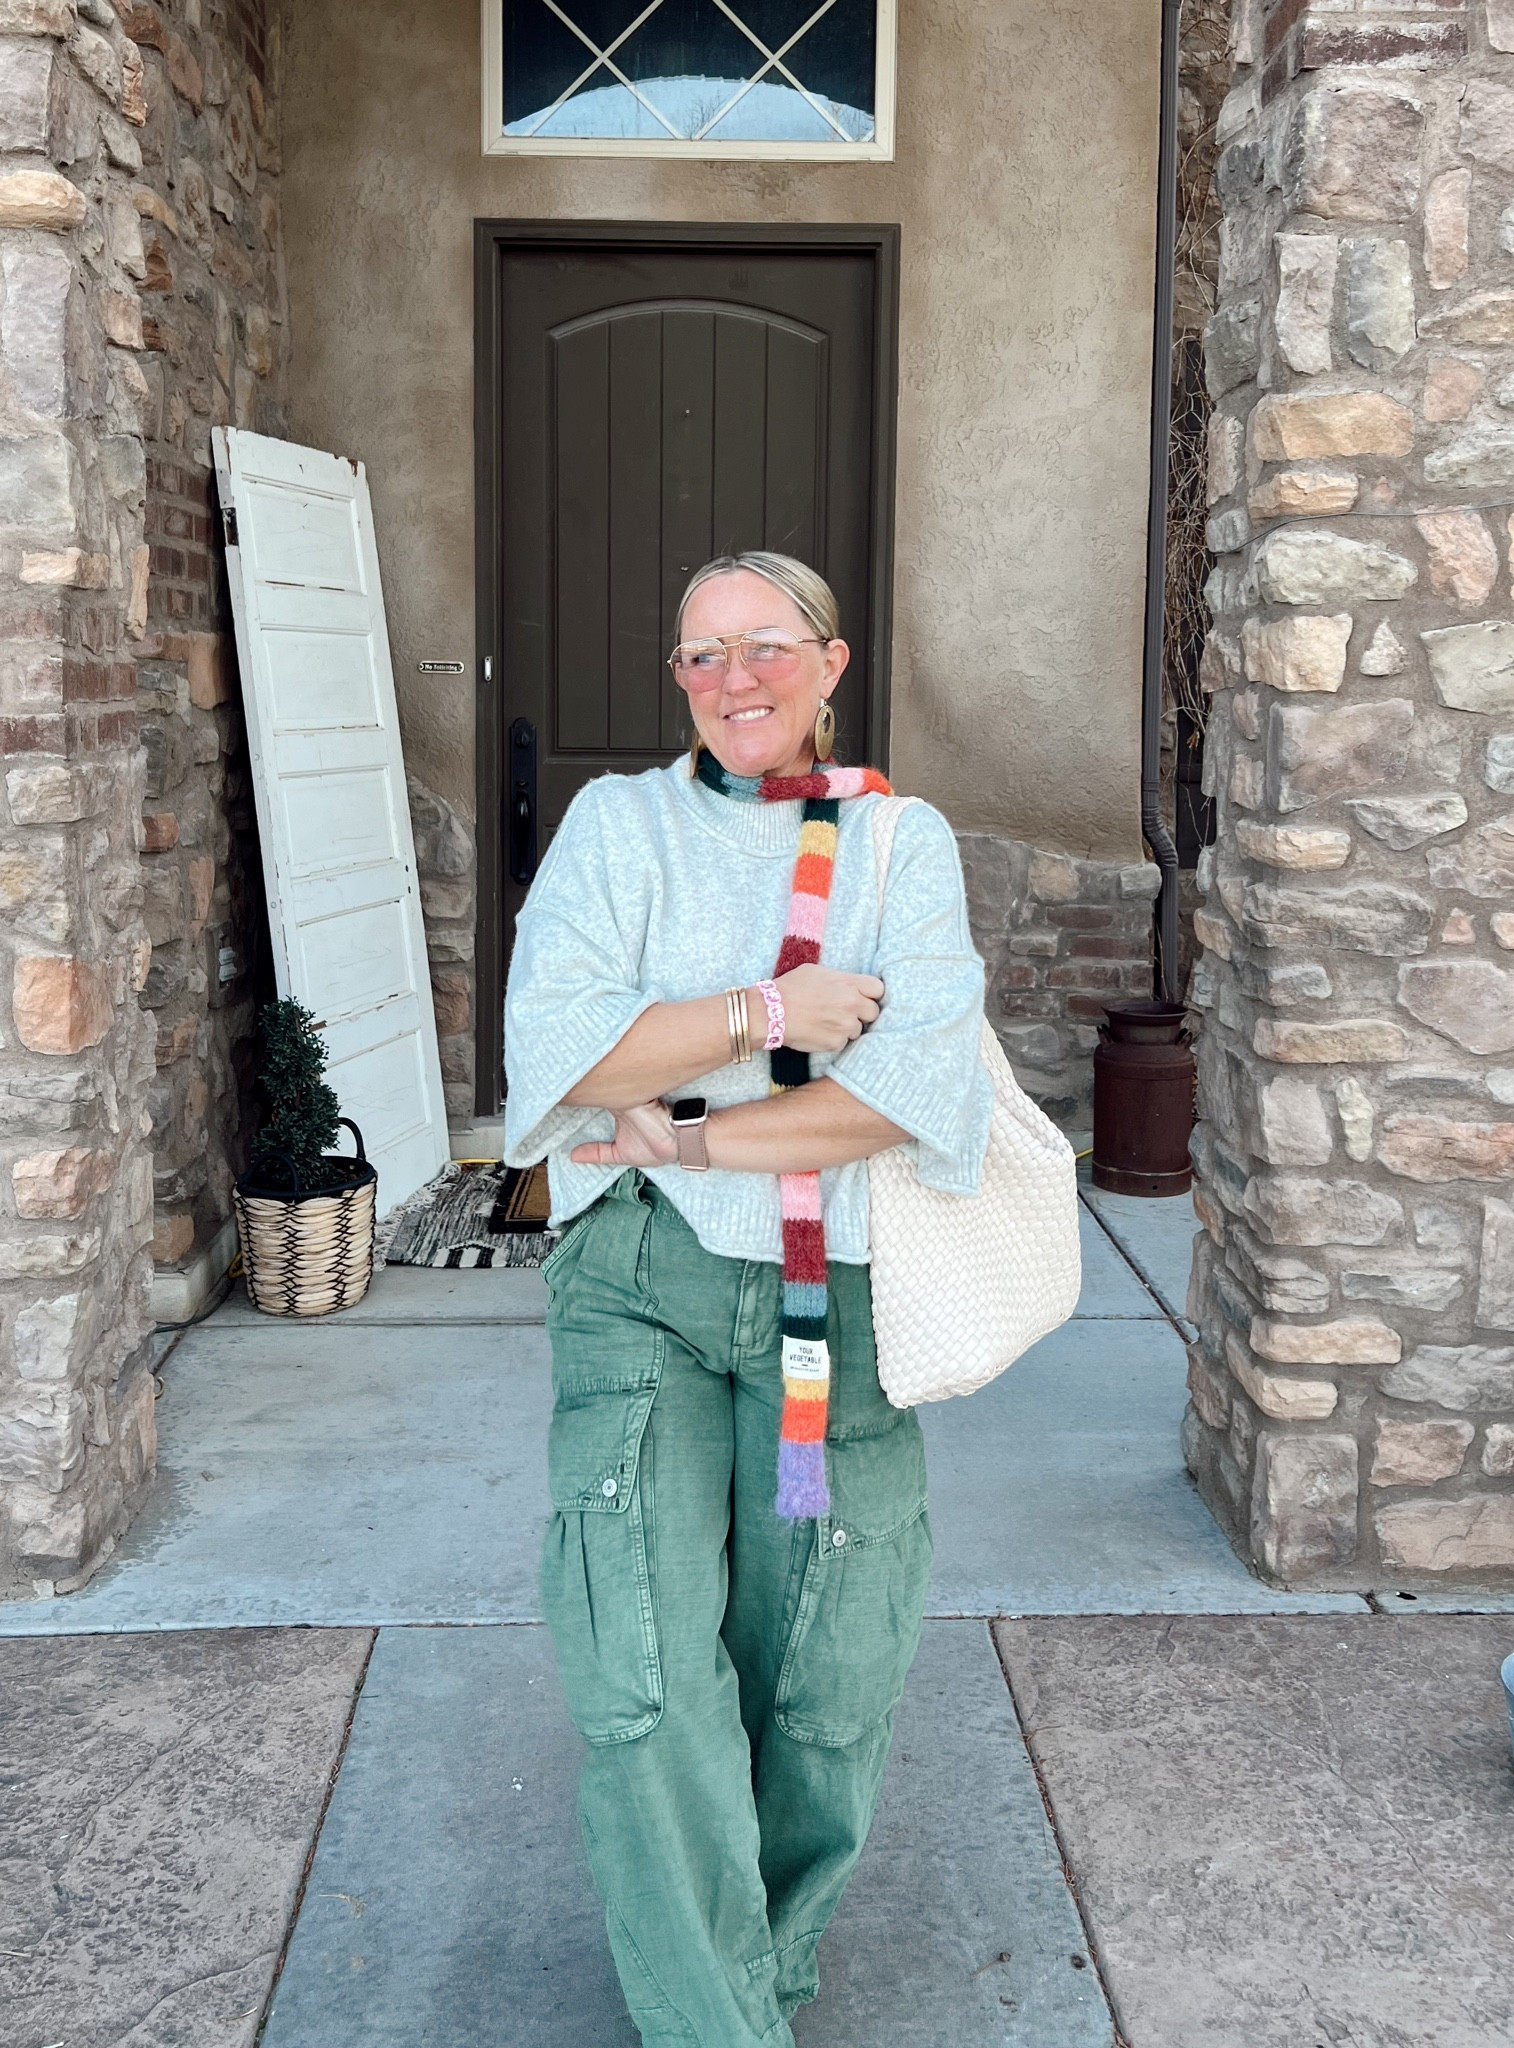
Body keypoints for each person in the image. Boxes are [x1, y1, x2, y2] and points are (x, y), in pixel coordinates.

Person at [504, 550, 991, 2046]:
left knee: (823, 1682)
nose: (734, 682)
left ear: (829, 664)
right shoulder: (618, 824)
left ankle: (758, 1973)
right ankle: (714, 2025)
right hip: (641, 1282)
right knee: (640, 1672)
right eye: (700, 655)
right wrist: (767, 1017)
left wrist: (686, 1116)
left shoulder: (901, 846)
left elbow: (906, 1096)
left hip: (833, 1308)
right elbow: (562, 1059)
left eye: (764, 647)